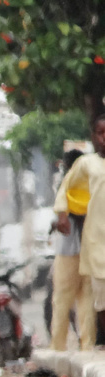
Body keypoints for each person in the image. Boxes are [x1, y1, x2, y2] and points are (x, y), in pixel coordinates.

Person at [54, 115, 105, 340]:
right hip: (97, 242)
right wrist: (63, 215)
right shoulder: (87, 164)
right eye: (101, 133)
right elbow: (66, 187)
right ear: (94, 136)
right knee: (101, 299)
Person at [49, 149, 94, 351]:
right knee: (86, 300)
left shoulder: (65, 185)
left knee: (62, 301)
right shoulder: (92, 182)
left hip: (68, 252)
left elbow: (63, 215)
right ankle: (87, 346)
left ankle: (58, 346)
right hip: (90, 250)